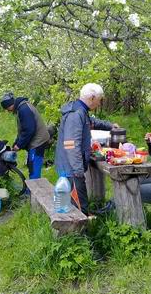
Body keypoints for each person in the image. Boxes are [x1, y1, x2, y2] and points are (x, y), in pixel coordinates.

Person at [55, 83, 119, 215]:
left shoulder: (81, 111)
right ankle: (79, 234)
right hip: (70, 168)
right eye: (99, 100)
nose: (100, 103)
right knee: (79, 207)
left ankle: (81, 227)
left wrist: (110, 125)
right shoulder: (76, 114)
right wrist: (78, 171)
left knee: (78, 203)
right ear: (92, 97)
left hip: (71, 166)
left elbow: (92, 122)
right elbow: (71, 145)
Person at [0, 93, 50, 182]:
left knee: (34, 167)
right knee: (31, 165)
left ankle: (35, 191)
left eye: (7, 108)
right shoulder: (21, 107)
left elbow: (29, 130)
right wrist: (16, 143)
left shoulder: (24, 109)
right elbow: (23, 130)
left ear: (9, 105)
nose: (7, 111)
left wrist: (19, 145)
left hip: (38, 142)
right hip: (38, 140)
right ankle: (31, 188)